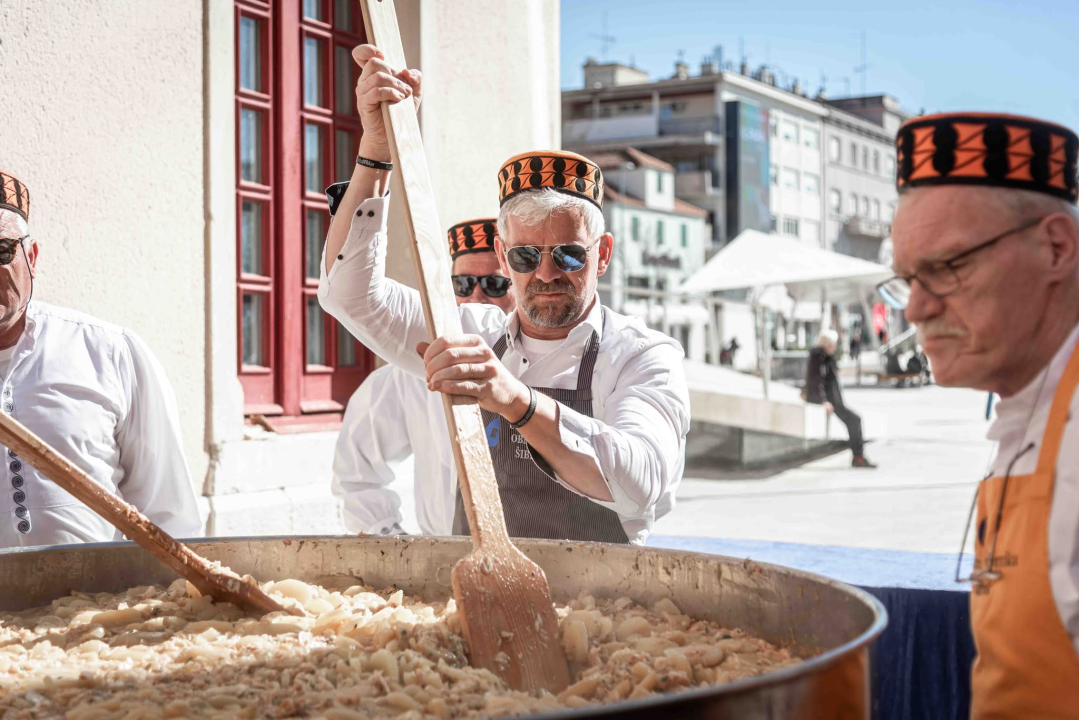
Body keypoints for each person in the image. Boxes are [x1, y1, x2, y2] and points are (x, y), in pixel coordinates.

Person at [319, 45, 690, 544]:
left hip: (600, 603)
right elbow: (348, 295)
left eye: (568, 255)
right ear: (502, 252)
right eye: (523, 257)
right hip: (470, 589)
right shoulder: (467, 331)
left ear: (602, 254)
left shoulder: (642, 355)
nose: (544, 273)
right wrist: (376, 155)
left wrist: (515, 401)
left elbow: (639, 483)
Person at [879, 111, 1079, 717]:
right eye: (908, 278)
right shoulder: (1032, 402)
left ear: (1056, 247)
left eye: (946, 267)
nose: (914, 309)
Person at [0, 170, 201, 547]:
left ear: (32, 256)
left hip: (95, 603)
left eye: (1, 250)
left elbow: (168, 515)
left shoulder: (107, 351)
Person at [330, 216, 514, 535]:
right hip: (444, 562)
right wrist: (393, 544)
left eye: (494, 285)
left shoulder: (543, 362)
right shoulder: (410, 373)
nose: (476, 297)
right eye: (463, 284)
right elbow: (357, 472)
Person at [804, 329, 876, 468]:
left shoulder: (824, 356)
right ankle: (858, 457)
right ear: (827, 344)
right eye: (833, 344)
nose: (835, 347)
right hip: (832, 400)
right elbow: (816, 380)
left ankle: (858, 457)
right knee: (855, 420)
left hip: (834, 399)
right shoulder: (819, 357)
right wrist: (824, 401)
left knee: (854, 421)